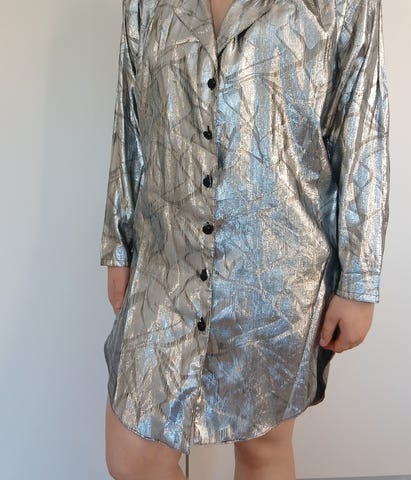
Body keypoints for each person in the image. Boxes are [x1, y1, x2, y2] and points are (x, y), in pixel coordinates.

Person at [99, 0, 390, 478]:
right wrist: (118, 239)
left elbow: (362, 127)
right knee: (133, 456)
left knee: (261, 447)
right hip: (164, 255)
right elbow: (130, 115)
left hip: (276, 268)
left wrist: (359, 279)